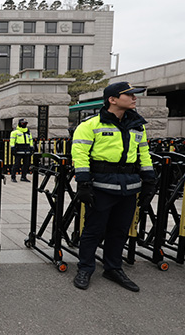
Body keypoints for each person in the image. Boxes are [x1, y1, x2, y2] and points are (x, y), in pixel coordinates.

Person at [71, 82, 155, 292]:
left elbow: (143, 154)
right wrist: (83, 184)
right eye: (130, 95)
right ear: (112, 99)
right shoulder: (90, 125)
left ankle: (113, 268)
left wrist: (149, 180)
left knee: (119, 230)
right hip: (101, 187)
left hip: (129, 187)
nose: (135, 98)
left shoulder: (137, 125)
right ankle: (85, 268)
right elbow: (80, 155)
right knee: (93, 230)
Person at [9, 118, 33, 182]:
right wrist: (13, 148)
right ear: (20, 123)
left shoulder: (28, 132)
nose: (24, 124)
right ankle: (13, 177)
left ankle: (23, 177)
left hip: (27, 150)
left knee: (26, 164)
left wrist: (31, 147)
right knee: (17, 164)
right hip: (18, 150)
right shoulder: (15, 132)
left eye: (25, 123)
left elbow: (30, 140)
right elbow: (12, 141)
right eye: (23, 123)